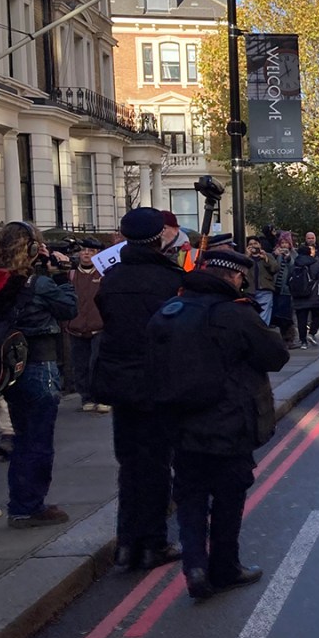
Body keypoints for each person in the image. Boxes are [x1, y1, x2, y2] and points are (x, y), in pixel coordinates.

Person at [148, 249, 290, 599]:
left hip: (181, 424)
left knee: (190, 497)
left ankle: (195, 567)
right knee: (228, 496)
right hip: (230, 422)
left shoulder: (170, 311)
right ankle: (225, 568)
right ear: (234, 276)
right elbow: (276, 356)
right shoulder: (236, 314)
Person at [94, 207, 184, 568]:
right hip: (156, 381)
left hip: (119, 381)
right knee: (157, 464)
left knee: (129, 464)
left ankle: (127, 544)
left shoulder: (111, 278)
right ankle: (153, 544)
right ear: (160, 237)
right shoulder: (170, 279)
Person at [0, 222, 77, 528]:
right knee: (37, 440)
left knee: (21, 437)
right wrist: (61, 275)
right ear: (31, 249)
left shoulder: (1, 280)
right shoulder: (37, 284)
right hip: (38, 364)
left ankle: (21, 502)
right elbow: (69, 308)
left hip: (8, 367)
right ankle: (28, 507)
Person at [65, 238, 108, 413]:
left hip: (99, 326)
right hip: (76, 327)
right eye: (84, 250)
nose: (86, 253)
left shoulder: (104, 275)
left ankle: (102, 397)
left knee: (98, 364)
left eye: (91, 251)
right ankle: (86, 397)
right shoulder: (71, 275)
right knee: (80, 365)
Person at [291, 245, 319, 349]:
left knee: (301, 319)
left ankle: (303, 341)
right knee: (317, 315)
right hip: (314, 295)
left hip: (298, 296)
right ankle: (312, 333)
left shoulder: (295, 263)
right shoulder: (316, 262)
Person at [246, 237, 280, 326]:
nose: (253, 246)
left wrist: (265, 259)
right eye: (250, 244)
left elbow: (275, 269)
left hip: (265, 290)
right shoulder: (245, 257)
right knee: (251, 314)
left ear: (260, 245)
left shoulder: (268, 255)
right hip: (250, 291)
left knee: (264, 315)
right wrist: (246, 257)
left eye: (255, 243)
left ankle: (262, 331)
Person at [271, 232, 297, 346]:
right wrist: (274, 256)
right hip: (276, 287)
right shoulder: (275, 253)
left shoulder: (293, 254)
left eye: (286, 243)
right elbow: (272, 268)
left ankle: (289, 338)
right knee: (278, 315)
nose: (284, 245)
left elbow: (294, 268)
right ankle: (282, 337)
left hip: (287, 289)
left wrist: (288, 258)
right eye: (282, 243)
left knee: (287, 315)